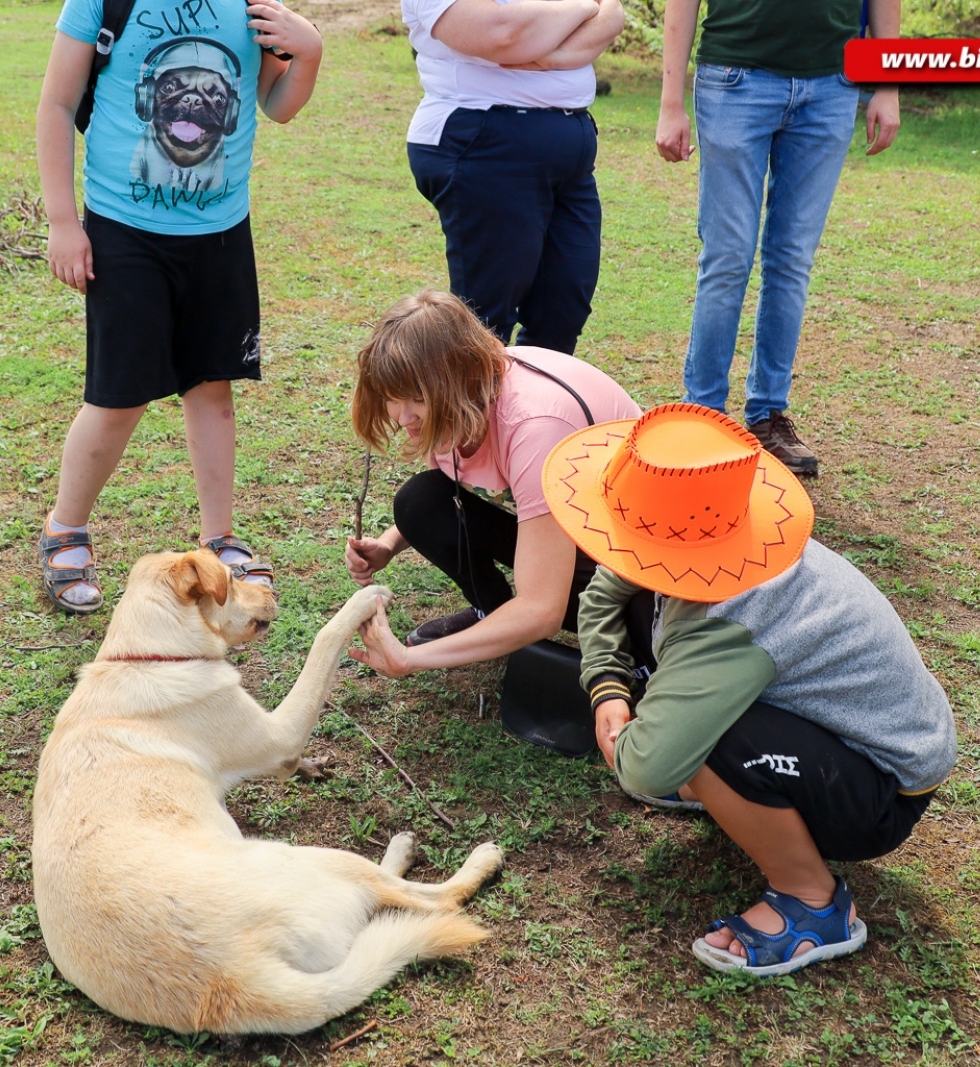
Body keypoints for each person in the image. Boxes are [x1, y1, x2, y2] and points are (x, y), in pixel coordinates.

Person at [543, 403, 955, 975]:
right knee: (679, 698)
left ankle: (814, 904)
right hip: (823, 728)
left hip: (880, 786)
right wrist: (609, 687)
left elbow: (644, 768)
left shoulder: (734, 616)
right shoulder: (712, 532)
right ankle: (725, 784)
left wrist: (654, 748)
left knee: (713, 742)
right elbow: (601, 595)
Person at [33, 0, 323, 613]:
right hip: (122, 230)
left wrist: (310, 49)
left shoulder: (251, 7)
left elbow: (278, 105)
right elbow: (58, 104)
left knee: (212, 386)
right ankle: (66, 529)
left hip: (220, 233)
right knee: (118, 397)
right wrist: (63, 220)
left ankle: (218, 538)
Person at [344, 289, 652, 678]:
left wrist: (408, 660)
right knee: (420, 503)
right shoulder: (459, 402)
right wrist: (389, 544)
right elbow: (460, 486)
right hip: (576, 525)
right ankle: (491, 614)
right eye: (391, 399)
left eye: (416, 399)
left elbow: (543, 610)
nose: (403, 417)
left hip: (641, 557)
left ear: (459, 377)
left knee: (630, 631)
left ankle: (629, 652)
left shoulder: (534, 428)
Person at [655, 0, 901, 475]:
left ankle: (768, 415)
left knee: (791, 261)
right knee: (728, 257)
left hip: (833, 86)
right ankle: (701, 415)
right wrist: (670, 101)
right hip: (735, 80)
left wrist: (887, 85)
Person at [403, 0, 627, 355]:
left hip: (569, 145)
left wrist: (549, 54)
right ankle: (465, 410)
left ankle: (534, 409)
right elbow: (503, 34)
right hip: (485, 140)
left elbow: (612, 14)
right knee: (485, 320)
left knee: (563, 308)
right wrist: (585, 6)